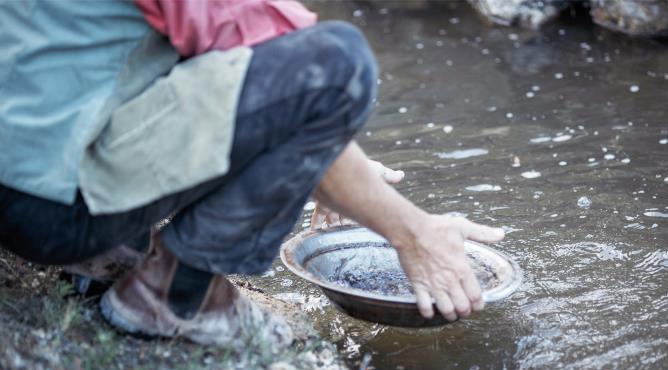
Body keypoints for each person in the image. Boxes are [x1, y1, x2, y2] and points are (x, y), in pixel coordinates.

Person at [0, 0, 505, 346]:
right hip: (54, 209)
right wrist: (414, 232)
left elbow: (221, 67)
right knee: (339, 63)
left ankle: (108, 257)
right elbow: (301, 78)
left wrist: (324, 154)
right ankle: (178, 296)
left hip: (21, 185)